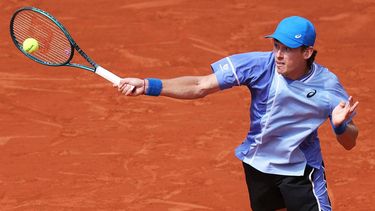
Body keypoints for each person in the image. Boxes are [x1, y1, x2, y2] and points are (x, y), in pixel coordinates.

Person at [114, 16, 359, 211]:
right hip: (258, 164)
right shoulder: (258, 65)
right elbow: (200, 86)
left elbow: (350, 141)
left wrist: (339, 127)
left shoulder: (327, 86)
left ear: (307, 52)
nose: (278, 55)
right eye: (276, 46)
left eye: (287, 49)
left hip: (301, 170)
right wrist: (147, 85)